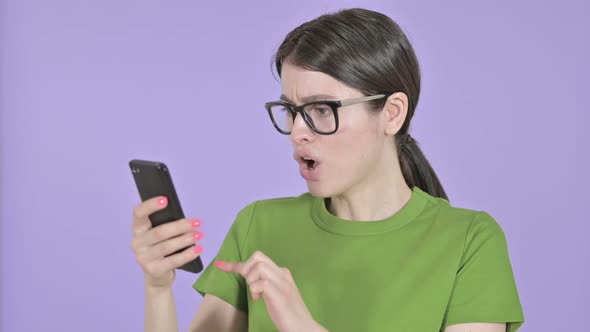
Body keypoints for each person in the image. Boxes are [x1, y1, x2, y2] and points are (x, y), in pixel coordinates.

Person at [130, 8, 525, 332]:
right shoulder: (258, 226)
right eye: (291, 111)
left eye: (322, 110)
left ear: (392, 113)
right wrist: (158, 287)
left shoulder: (469, 240)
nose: (298, 131)